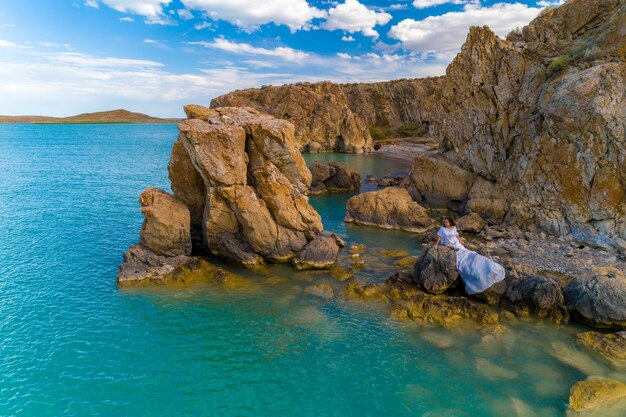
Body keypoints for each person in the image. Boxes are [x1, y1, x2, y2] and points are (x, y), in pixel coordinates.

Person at [434, 217, 505, 295]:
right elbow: (439, 238)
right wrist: (436, 245)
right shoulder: (442, 229)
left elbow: (457, 236)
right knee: (463, 258)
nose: (445, 223)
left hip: (457, 244)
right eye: (444, 222)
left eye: (446, 222)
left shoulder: (453, 228)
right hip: (450, 245)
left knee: (471, 254)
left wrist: (461, 242)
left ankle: (489, 267)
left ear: (450, 223)